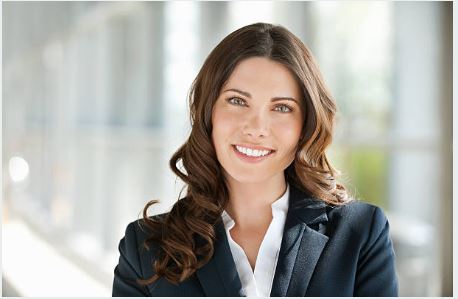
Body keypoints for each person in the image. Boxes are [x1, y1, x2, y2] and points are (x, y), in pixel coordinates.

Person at [112, 22, 399, 297]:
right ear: (208, 111)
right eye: (237, 101)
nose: (256, 128)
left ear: (306, 125)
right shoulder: (146, 247)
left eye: (282, 107)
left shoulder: (360, 233)